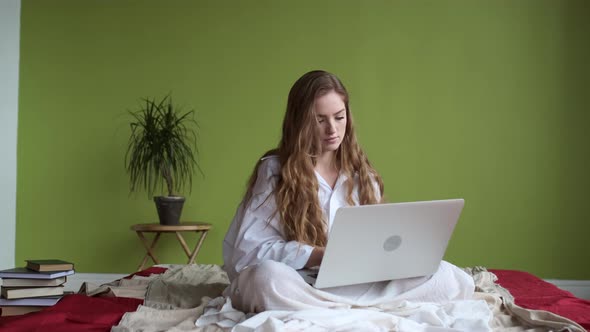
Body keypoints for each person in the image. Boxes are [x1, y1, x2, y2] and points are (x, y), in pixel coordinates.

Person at [222, 70, 474, 313]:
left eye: (339, 117)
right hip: (302, 282)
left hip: (353, 285)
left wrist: (396, 259)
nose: (332, 129)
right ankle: (366, 308)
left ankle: (338, 309)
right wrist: (316, 255)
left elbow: (381, 243)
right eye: (319, 120)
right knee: (265, 279)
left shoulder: (361, 174)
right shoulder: (275, 171)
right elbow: (247, 255)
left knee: (454, 279)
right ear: (300, 122)